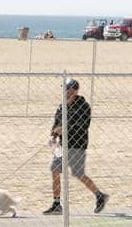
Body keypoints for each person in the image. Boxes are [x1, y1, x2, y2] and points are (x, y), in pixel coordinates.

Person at [44, 79, 108, 215]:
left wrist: (65, 129)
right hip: (62, 145)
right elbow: (56, 122)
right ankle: (56, 203)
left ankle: (99, 195)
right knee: (55, 170)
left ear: (74, 90)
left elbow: (83, 126)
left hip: (77, 144)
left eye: (68, 89)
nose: (65, 91)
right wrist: (53, 135)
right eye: (65, 89)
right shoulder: (62, 106)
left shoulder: (83, 106)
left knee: (78, 174)